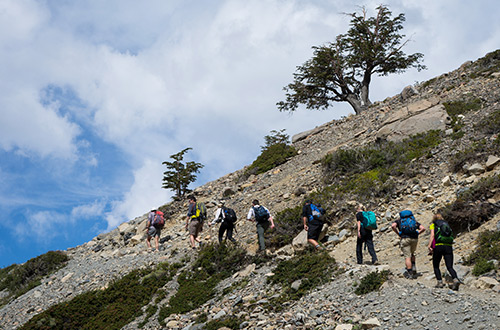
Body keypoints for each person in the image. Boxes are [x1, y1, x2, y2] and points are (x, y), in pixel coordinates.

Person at [427, 213, 460, 290]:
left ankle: (440, 282)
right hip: (448, 246)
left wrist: (429, 245)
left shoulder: (433, 225)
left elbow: (432, 236)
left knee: (436, 265)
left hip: (438, 246)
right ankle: (455, 279)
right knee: (449, 266)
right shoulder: (446, 224)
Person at [391, 210, 426, 278]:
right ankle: (413, 267)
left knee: (407, 256)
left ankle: (410, 273)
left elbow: (393, 226)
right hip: (414, 239)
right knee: (413, 253)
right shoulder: (413, 221)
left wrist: (398, 233)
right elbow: (423, 228)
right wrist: (417, 233)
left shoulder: (399, 221)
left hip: (405, 239)